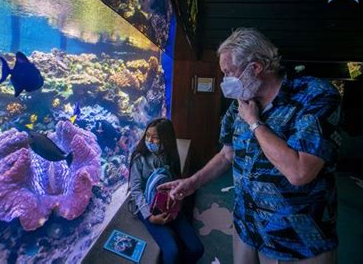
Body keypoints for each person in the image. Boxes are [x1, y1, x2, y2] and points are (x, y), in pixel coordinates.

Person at [159, 28, 341, 264]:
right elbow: (227, 154)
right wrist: (192, 182)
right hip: (246, 228)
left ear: (255, 68)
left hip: (296, 242)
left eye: (229, 72)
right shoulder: (240, 104)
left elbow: (299, 172)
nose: (225, 81)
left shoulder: (315, 96)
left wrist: (255, 123)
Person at [128, 118, 204, 264]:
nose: (149, 140)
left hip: (168, 204)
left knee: (197, 249)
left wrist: (176, 204)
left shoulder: (170, 155)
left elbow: (175, 182)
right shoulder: (139, 158)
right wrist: (150, 217)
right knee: (172, 251)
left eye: (155, 137)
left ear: (166, 140)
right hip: (146, 207)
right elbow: (136, 190)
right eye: (147, 135)